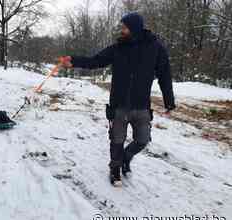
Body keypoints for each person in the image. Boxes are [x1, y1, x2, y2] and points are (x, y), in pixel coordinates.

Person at [59, 12, 176, 186]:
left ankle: (125, 159)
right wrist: (74, 61)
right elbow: (95, 61)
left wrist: (169, 101)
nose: (121, 30)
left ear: (134, 28)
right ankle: (115, 169)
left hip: (141, 106)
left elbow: (165, 75)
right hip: (119, 104)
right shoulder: (118, 48)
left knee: (142, 140)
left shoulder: (156, 48)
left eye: (124, 27)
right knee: (116, 140)